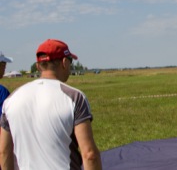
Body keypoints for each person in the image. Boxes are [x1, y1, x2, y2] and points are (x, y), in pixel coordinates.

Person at [0, 39, 102, 170]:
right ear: (65, 63)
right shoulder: (75, 97)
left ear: (38, 66)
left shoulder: (11, 100)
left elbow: (4, 152)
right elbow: (89, 155)